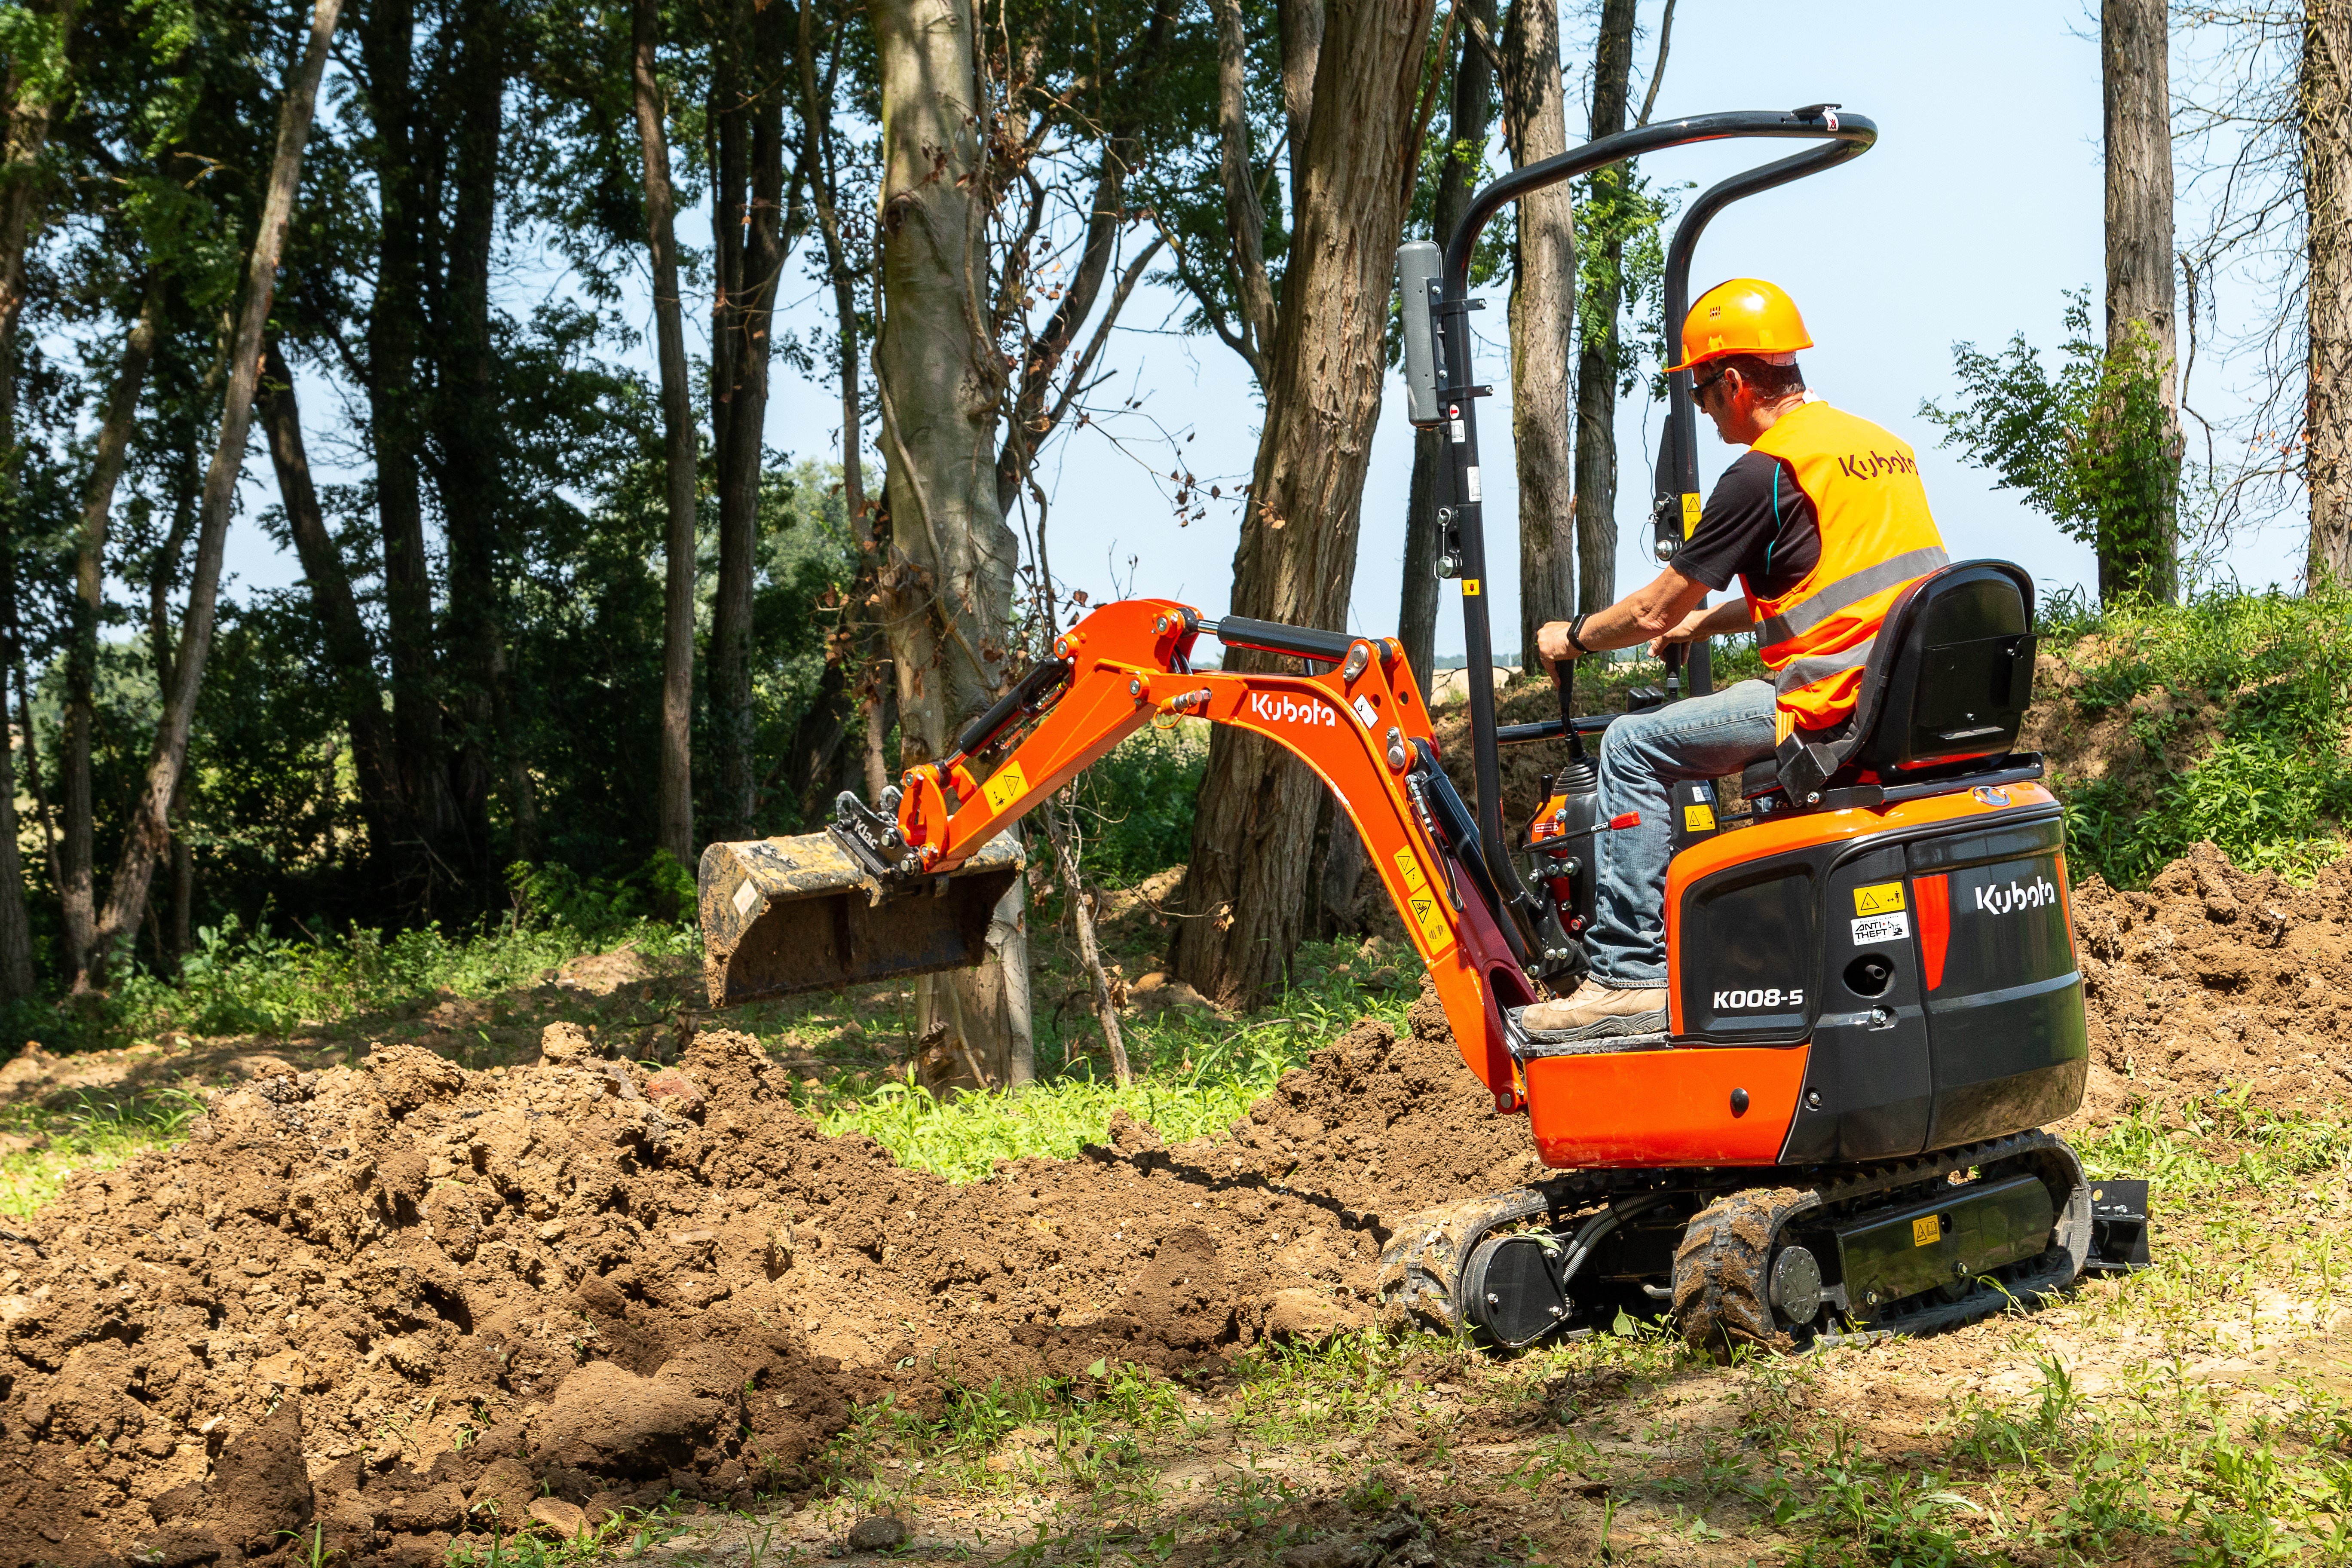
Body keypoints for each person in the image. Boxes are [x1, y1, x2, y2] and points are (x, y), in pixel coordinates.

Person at [1522, 278, 1948, 1037]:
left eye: (1702, 397)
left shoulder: (1765, 472)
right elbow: (1835, 582)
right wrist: (1708, 624)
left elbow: (1653, 608)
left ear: (1735, 382)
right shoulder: (1878, 448)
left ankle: (1628, 976)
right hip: (1904, 699)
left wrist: (1575, 636)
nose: (1706, 412)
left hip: (1825, 706)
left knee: (1631, 745)